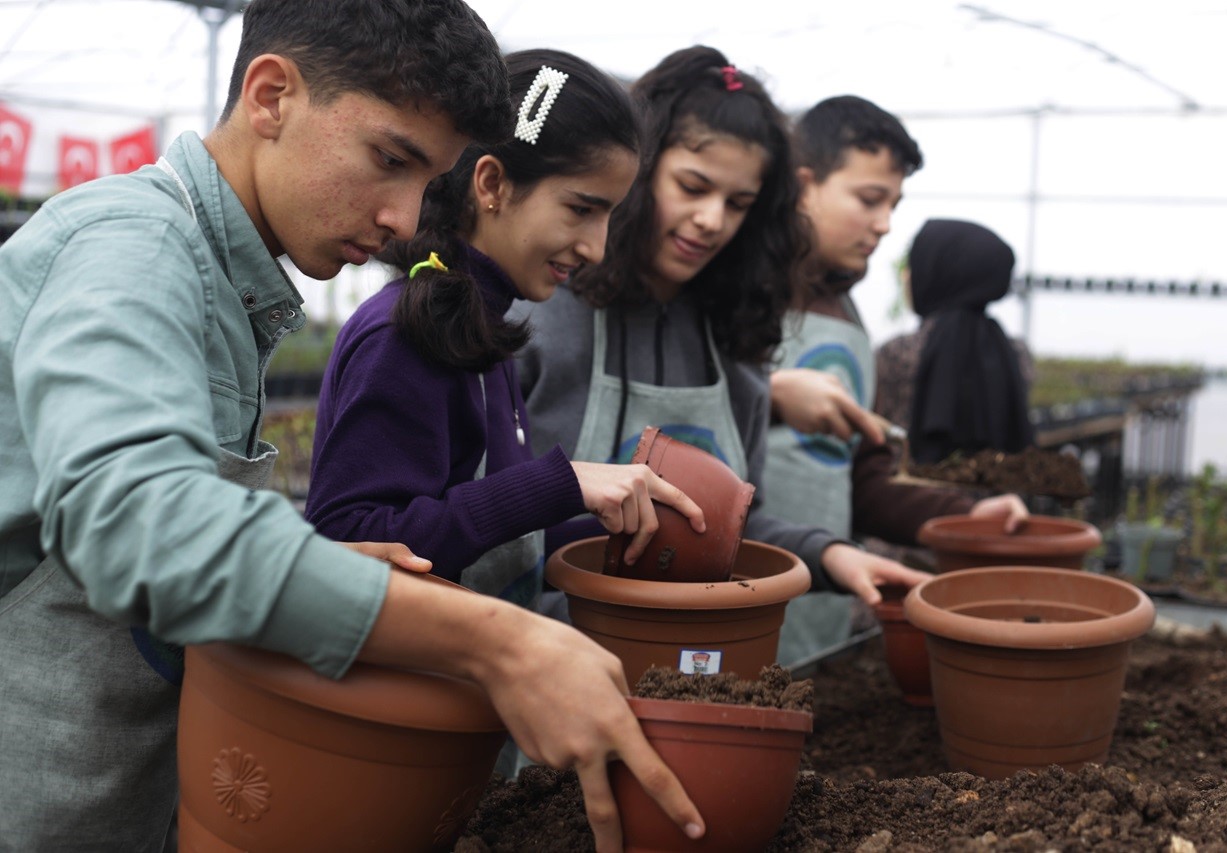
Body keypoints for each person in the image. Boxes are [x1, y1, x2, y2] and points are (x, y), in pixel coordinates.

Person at [0, 4, 704, 851]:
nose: (406, 219)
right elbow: (141, 525)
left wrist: (326, 565)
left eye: (427, 180)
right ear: (272, 96)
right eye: (390, 159)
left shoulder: (223, 287)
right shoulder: (133, 250)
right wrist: (499, 642)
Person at [514, 46, 930, 616]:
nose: (712, 220)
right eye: (692, 187)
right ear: (635, 173)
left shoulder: (734, 340)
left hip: (691, 647)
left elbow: (732, 524)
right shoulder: (541, 316)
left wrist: (831, 555)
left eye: (738, 203)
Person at [305, 48, 704, 620]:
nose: (597, 247)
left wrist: (620, 521)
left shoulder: (477, 327)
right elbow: (349, 539)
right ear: (492, 183)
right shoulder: (404, 335)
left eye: (609, 216)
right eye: (581, 209)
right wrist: (559, 485)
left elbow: (487, 530)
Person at [763, 96, 1028, 662]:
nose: (884, 225)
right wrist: (771, 399)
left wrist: (963, 514)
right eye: (868, 200)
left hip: (819, 610)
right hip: (727, 601)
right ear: (804, 186)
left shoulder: (847, 316)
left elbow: (863, 478)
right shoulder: (741, 298)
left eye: (893, 205)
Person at [875, 217, 1036, 464]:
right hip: (999, 487)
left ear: (936, 273)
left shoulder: (898, 353)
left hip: (906, 485)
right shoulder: (1017, 353)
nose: (906, 276)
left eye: (915, 265)